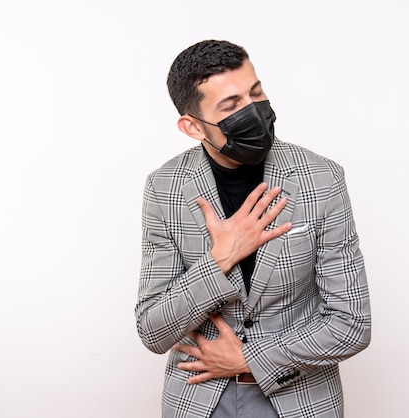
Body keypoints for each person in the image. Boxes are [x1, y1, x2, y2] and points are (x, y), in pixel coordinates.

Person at [135, 39, 371, 418]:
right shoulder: (165, 188)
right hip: (199, 401)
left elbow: (351, 323)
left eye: (256, 93)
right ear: (193, 126)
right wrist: (221, 258)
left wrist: (248, 358)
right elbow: (153, 330)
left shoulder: (321, 178)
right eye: (230, 106)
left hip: (299, 399)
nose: (254, 112)